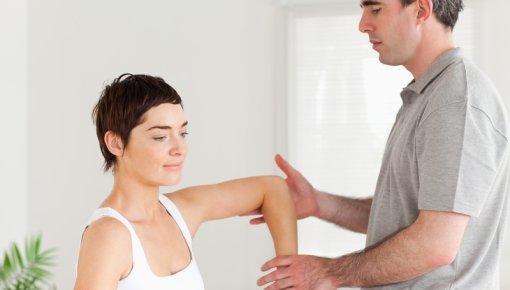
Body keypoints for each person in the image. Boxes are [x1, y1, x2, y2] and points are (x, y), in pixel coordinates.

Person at [253, 0, 510, 289]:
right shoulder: (428, 95)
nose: (362, 24)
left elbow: (436, 243)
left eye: (375, 10)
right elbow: (407, 218)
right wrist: (319, 203)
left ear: (420, 11)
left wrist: (329, 271)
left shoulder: (455, 102)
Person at [73, 73, 297, 290]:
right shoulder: (109, 235)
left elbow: (273, 188)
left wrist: (289, 278)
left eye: (183, 133)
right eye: (161, 137)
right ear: (116, 143)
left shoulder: (179, 212)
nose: (180, 149)